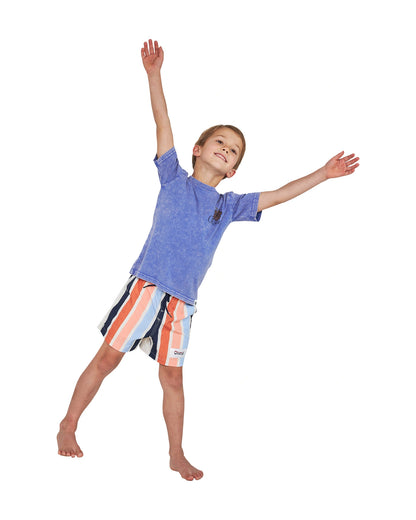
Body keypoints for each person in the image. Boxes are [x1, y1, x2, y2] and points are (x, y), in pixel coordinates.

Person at [57, 39, 360, 481]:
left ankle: (176, 453)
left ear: (234, 170)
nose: (226, 148)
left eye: (234, 150)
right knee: (107, 359)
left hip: (183, 304)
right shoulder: (173, 179)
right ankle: (68, 424)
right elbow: (163, 123)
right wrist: (154, 75)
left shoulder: (230, 205)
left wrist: (323, 174)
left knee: (174, 379)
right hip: (147, 286)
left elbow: (279, 194)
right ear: (199, 150)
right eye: (219, 141)